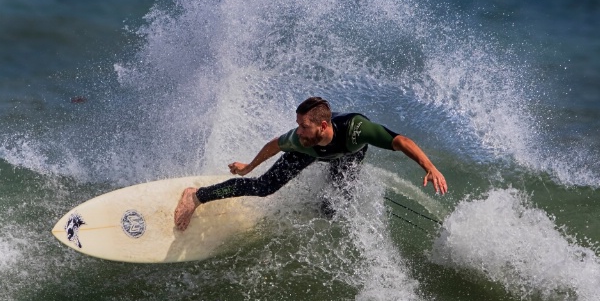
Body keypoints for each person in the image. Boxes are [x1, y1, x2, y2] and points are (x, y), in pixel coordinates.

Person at [174, 96, 447, 231]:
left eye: (304, 126)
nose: (298, 131)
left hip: (348, 155)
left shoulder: (355, 129)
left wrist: (429, 167)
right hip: (311, 154)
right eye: (297, 125)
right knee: (263, 187)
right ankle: (196, 196)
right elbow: (273, 146)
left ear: (323, 125)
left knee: (334, 208)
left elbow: (399, 141)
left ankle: (317, 206)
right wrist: (248, 167)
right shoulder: (300, 141)